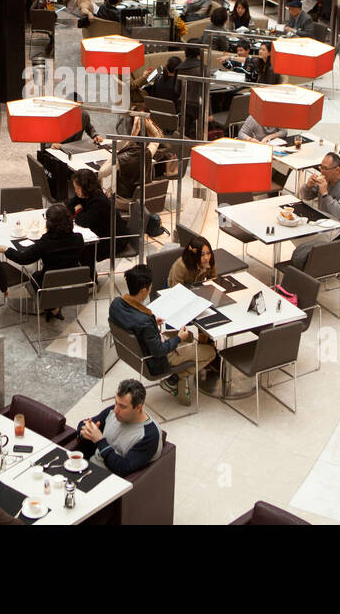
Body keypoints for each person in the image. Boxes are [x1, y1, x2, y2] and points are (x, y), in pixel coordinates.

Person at [112, 264, 216, 392]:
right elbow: (159, 351)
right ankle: (174, 379)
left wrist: (152, 321)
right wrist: (178, 338)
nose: (151, 289)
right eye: (150, 287)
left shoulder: (116, 304)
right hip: (157, 360)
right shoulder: (144, 322)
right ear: (143, 291)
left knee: (189, 337)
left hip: (136, 352)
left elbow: (131, 322)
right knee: (210, 352)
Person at [0, 203, 86, 319]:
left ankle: (52, 307)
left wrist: (6, 249)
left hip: (47, 284)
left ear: (49, 223)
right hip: (73, 283)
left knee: (35, 275)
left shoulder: (46, 242)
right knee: (49, 276)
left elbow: (23, 258)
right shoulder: (78, 239)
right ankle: (55, 306)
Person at [72, 379, 164, 477]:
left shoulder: (149, 435)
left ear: (138, 408)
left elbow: (123, 468)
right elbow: (83, 424)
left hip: (110, 481)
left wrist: (100, 440)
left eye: (122, 406)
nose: (115, 410)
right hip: (88, 469)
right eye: (116, 402)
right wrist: (85, 432)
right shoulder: (113, 412)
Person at [290, 152, 340, 272]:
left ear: (337, 169)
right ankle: (319, 259)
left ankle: (335, 264)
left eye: (325, 168)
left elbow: (339, 213)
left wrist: (325, 194)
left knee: (305, 241)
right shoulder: (324, 179)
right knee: (295, 232)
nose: (321, 171)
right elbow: (305, 196)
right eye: (320, 167)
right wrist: (308, 186)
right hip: (322, 222)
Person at [67, 168, 127, 262]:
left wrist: (78, 210)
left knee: (80, 249)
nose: (75, 191)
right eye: (75, 188)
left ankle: (90, 275)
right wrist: (76, 210)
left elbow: (83, 221)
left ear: (86, 187)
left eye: (77, 188)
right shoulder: (84, 195)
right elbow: (70, 205)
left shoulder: (99, 201)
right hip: (99, 233)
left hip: (113, 240)